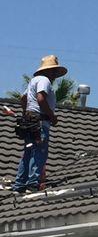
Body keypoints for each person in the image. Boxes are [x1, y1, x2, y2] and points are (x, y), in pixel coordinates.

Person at [11, 55, 67, 193]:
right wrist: (52, 116)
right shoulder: (44, 80)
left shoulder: (33, 81)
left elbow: (23, 98)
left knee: (28, 152)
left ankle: (19, 185)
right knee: (39, 152)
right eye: (53, 71)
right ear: (48, 71)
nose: (54, 75)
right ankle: (32, 184)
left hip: (30, 121)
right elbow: (41, 99)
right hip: (40, 122)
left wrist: (26, 113)